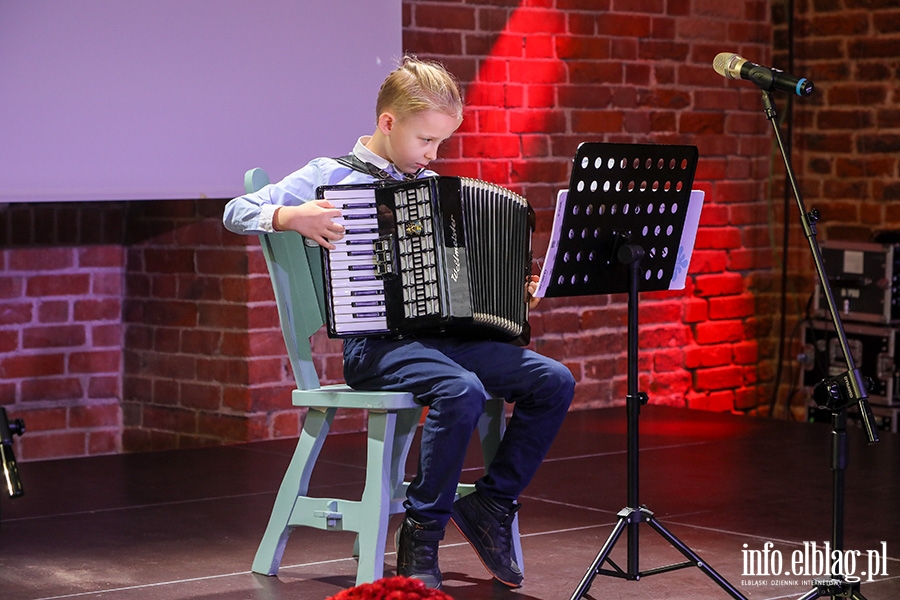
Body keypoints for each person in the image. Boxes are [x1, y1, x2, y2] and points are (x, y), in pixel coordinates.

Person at [223, 56, 575, 590]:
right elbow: (235, 210)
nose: (432, 155)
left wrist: (507, 291)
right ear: (388, 123)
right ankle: (422, 532)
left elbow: (459, 281)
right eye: (425, 141)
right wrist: (291, 216)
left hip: (445, 341)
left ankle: (492, 504)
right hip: (376, 346)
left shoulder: (436, 188)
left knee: (553, 380)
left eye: (440, 144)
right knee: (461, 390)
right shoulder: (328, 174)